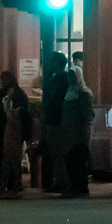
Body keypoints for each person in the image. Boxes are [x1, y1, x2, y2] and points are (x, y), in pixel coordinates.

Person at [0, 70, 31, 197]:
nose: (3, 82)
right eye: (2, 79)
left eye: (5, 79)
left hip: (12, 131)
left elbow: (22, 112)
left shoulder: (18, 95)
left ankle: (12, 184)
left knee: (11, 159)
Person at [62, 58, 95, 197]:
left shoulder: (83, 94)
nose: (70, 79)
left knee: (79, 161)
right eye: (69, 76)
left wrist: (83, 133)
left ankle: (80, 187)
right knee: (71, 159)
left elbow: (88, 115)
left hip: (79, 133)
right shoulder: (69, 92)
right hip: (69, 133)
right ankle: (74, 186)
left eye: (73, 76)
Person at [40, 52, 70, 193]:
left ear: (57, 64)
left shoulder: (60, 80)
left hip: (57, 119)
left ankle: (62, 181)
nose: (49, 65)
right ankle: (60, 180)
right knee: (56, 152)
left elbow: (52, 100)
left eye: (52, 62)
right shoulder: (62, 79)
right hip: (57, 119)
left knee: (58, 152)